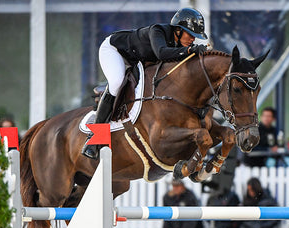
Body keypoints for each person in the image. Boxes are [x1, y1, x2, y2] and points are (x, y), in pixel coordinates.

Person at [82, 7, 209, 160]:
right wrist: (190, 51)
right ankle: (94, 138)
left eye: (195, 37)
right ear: (178, 30)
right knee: (116, 82)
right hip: (114, 51)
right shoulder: (158, 31)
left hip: (135, 60)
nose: (193, 39)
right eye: (191, 34)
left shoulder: (178, 45)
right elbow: (161, 53)